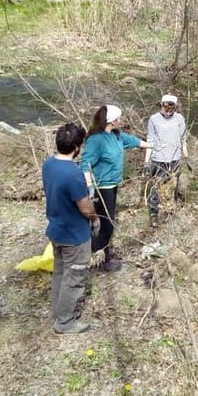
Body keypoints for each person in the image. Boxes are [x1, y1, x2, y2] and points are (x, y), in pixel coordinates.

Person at [42, 122, 100, 334]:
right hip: (74, 235)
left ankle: (57, 312)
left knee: (60, 272)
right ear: (77, 147)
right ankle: (65, 322)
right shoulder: (73, 174)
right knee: (74, 278)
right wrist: (95, 220)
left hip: (56, 230)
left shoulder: (48, 164)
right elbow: (85, 207)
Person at [79, 105, 151, 272]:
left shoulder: (117, 136)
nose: (121, 120)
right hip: (101, 187)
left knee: (106, 222)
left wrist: (151, 145)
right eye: (119, 118)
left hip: (112, 185)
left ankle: (96, 250)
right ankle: (102, 258)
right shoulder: (96, 140)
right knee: (107, 225)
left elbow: (133, 141)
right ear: (111, 121)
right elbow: (85, 164)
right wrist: (90, 188)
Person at [142, 94, 188, 227]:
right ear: (161, 105)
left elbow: (183, 139)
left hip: (174, 158)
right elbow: (149, 140)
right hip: (158, 158)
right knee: (156, 186)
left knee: (173, 184)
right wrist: (147, 161)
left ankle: (171, 209)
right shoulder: (153, 119)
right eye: (166, 109)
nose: (168, 112)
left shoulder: (179, 119)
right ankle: (154, 213)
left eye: (171, 110)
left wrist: (186, 155)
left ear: (175, 107)